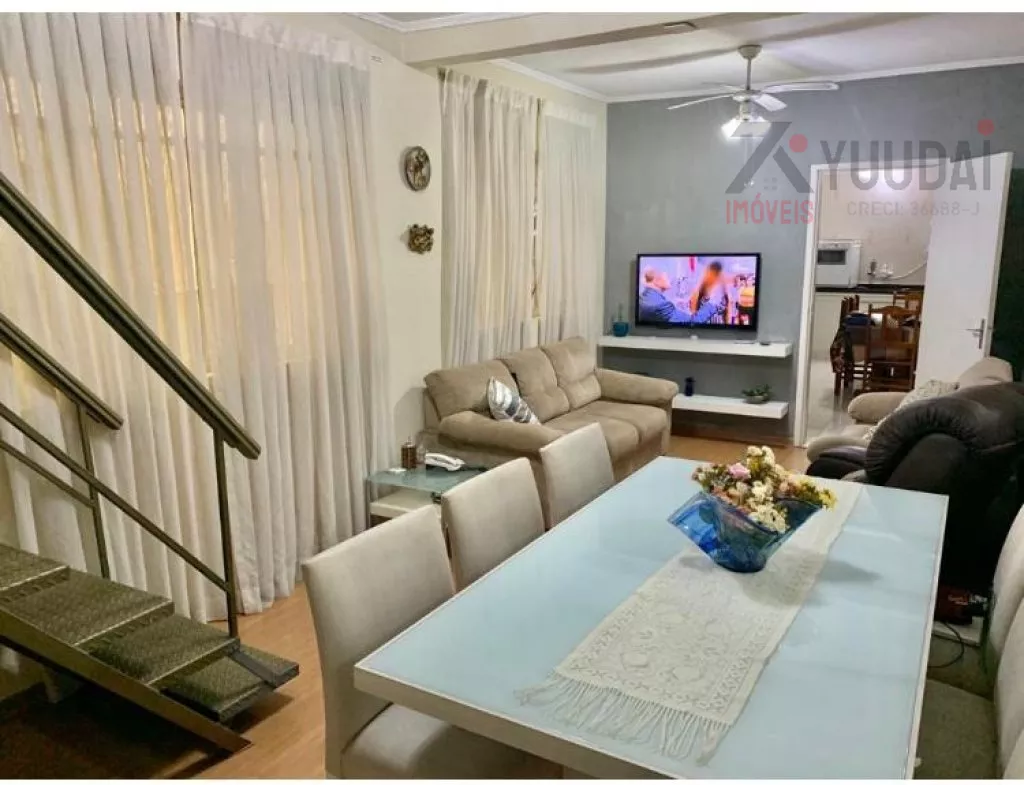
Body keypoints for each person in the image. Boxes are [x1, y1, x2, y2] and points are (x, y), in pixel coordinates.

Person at [688, 260, 729, 324]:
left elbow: (727, 310)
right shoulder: (700, 289)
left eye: (717, 274)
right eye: (712, 274)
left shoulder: (723, 290)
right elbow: (693, 310)